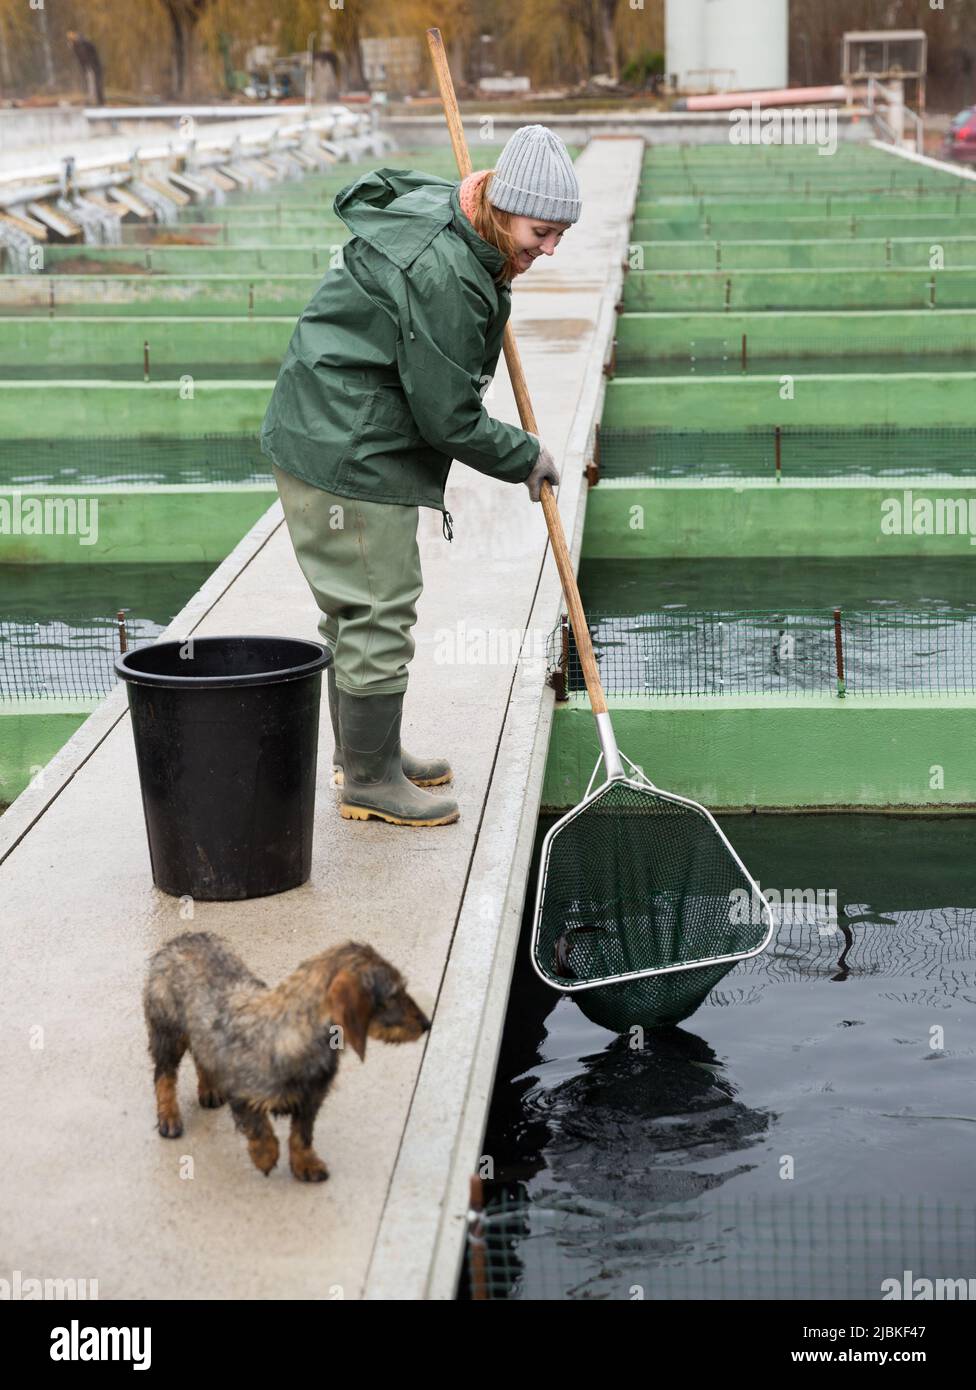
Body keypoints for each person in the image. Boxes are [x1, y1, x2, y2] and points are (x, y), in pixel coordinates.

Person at [260, 124, 578, 828]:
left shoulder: (463, 215)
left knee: (354, 609)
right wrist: (525, 456)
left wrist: (502, 270)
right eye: (542, 232)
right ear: (499, 207)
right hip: (348, 449)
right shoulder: (444, 272)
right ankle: (370, 782)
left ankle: (368, 755)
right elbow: (448, 416)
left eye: (562, 235)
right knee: (378, 608)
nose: (550, 249)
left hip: (326, 426)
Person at [66, 30, 105, 107]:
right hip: (89, 67)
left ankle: (96, 101)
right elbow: (82, 59)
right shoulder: (78, 46)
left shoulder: (82, 44)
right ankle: (94, 100)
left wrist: (89, 67)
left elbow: (87, 56)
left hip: (93, 67)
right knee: (91, 83)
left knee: (94, 83)